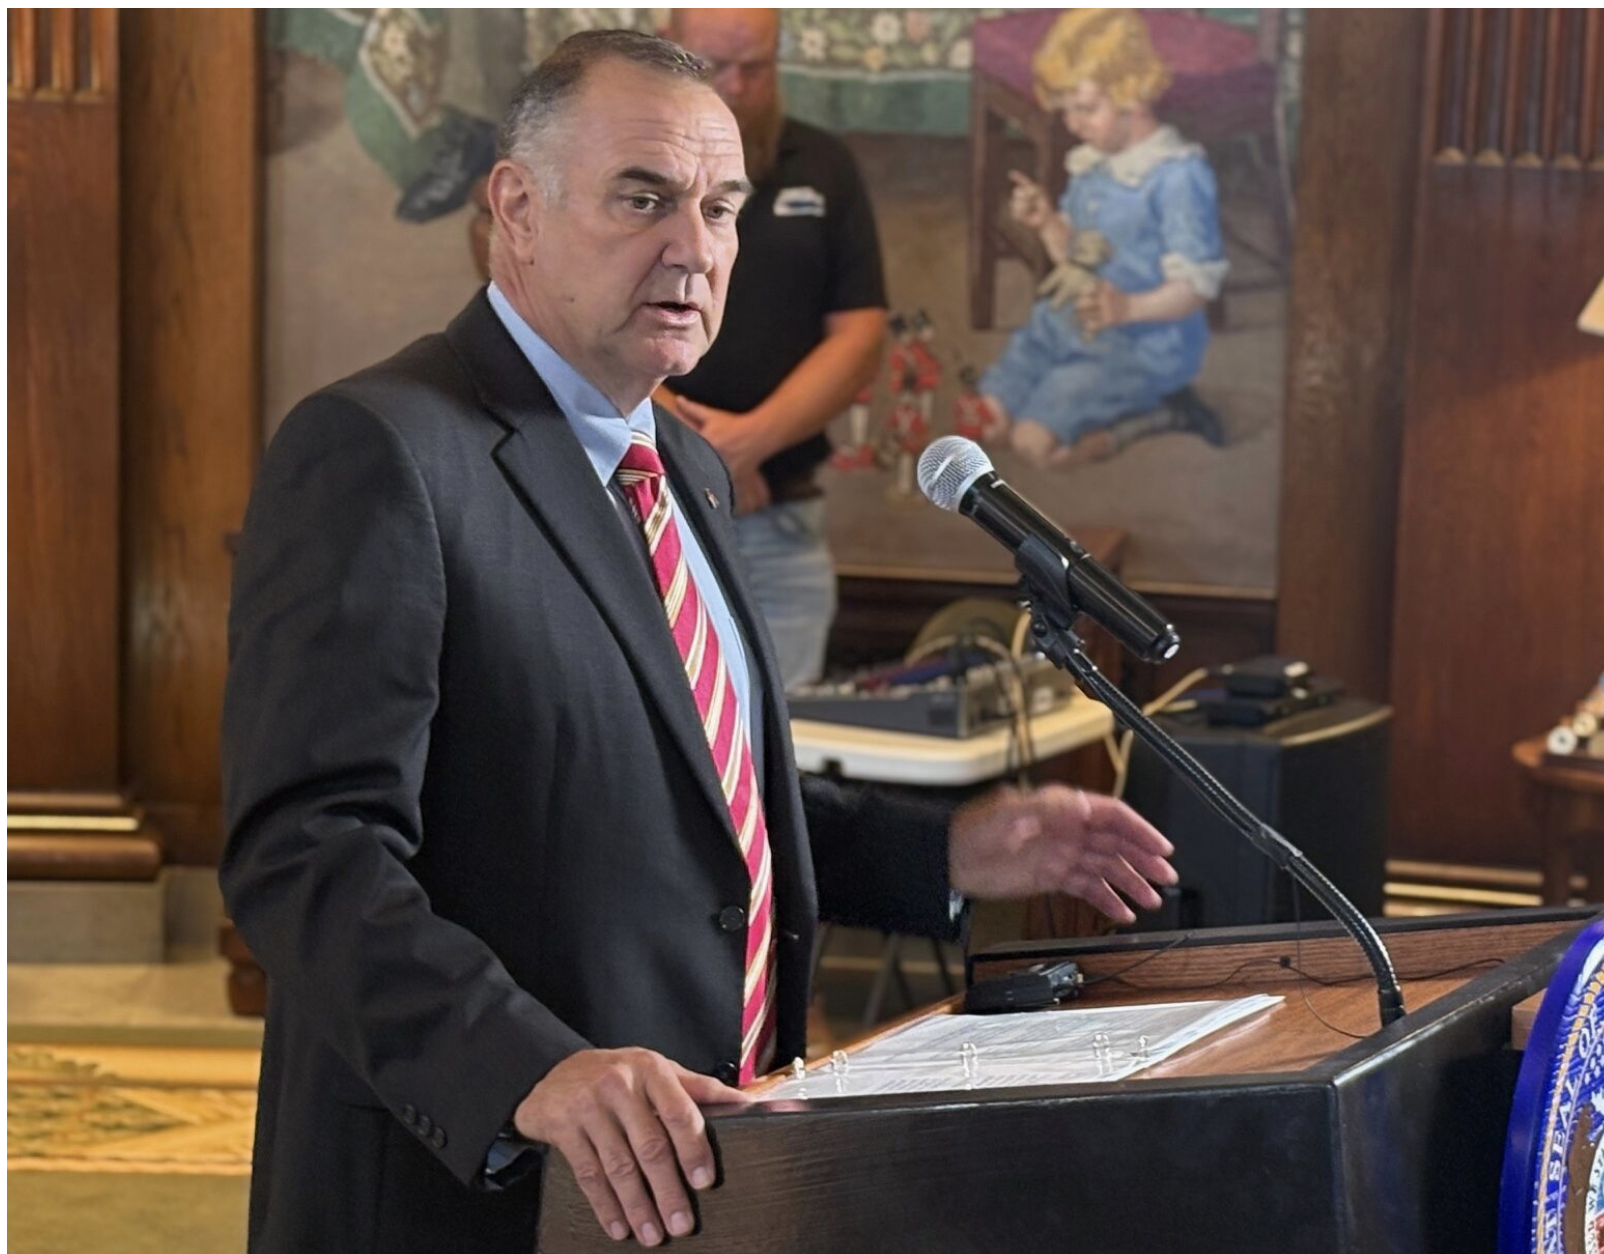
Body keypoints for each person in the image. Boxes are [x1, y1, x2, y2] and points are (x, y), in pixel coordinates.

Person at [221, 30, 1177, 1254]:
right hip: (473, 1198)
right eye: (643, 198)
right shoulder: (382, 451)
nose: (696, 248)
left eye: (721, 208)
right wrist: (530, 1068)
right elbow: (305, 852)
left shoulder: (684, 465)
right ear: (515, 207)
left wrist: (945, 850)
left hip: (702, 1175)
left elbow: (689, 796)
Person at [654, 9, 888, 690]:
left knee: (786, 741)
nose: (735, 86)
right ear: (668, 49)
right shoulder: (628, 169)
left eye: (754, 67)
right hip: (649, 506)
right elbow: (573, 324)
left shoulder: (823, 165)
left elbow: (860, 336)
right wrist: (697, 449)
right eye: (713, 66)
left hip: (781, 516)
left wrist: (748, 443)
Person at [979, 8, 1229, 470]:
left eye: (1086, 108)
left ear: (1132, 95)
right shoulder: (1092, 162)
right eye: (1066, 110)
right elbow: (1077, 261)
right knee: (987, 421)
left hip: (1141, 346)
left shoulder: (1178, 175)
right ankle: (1047, 393)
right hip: (1067, 324)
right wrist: (1047, 223)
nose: (1073, 124)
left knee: (1035, 445)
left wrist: (1128, 308)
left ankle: (1163, 413)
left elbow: (1197, 287)